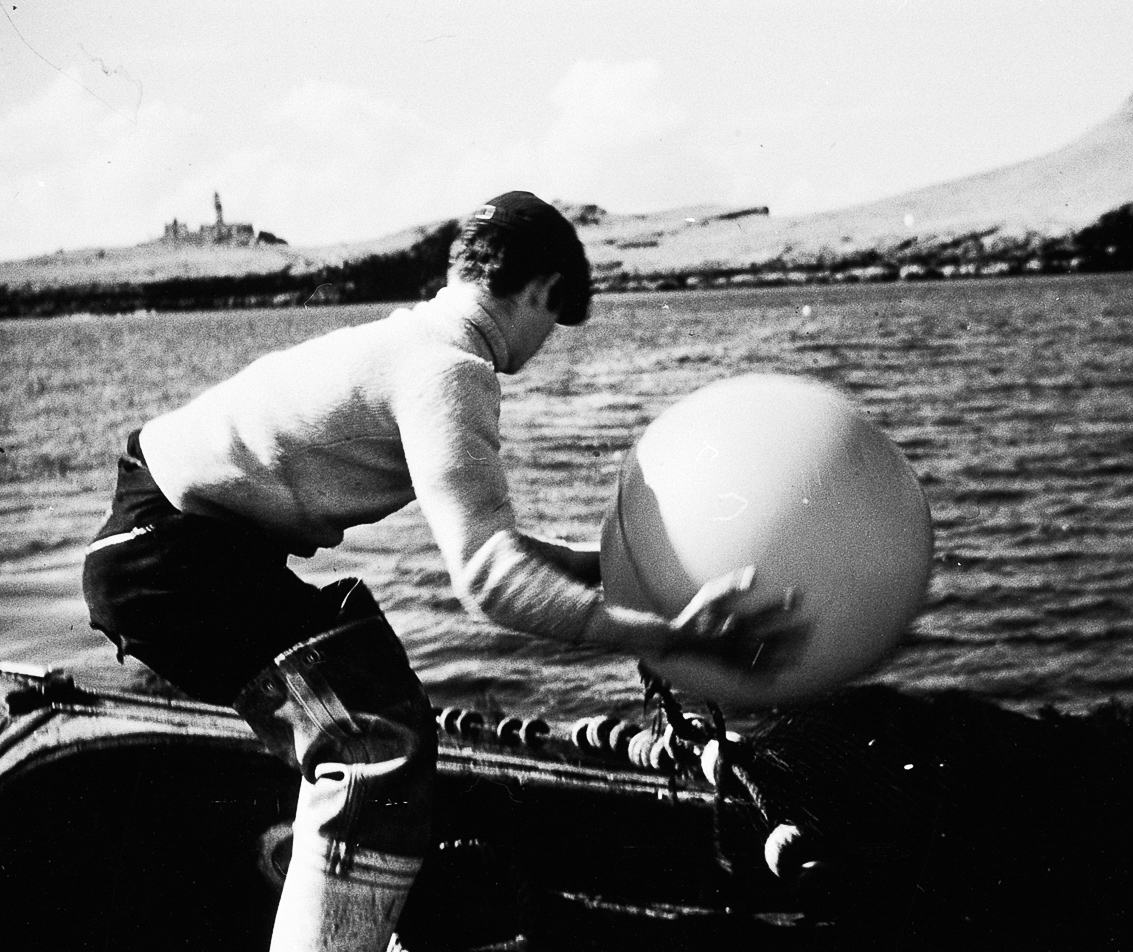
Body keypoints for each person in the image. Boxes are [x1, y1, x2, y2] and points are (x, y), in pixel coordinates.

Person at [81, 191, 804, 952]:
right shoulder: (449, 370)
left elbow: (494, 546)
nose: (547, 343)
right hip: (170, 558)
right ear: (541, 293)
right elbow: (489, 577)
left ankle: (347, 900)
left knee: (365, 701)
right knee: (374, 741)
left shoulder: (412, 345)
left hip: (160, 545)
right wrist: (672, 633)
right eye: (557, 321)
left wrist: (616, 570)